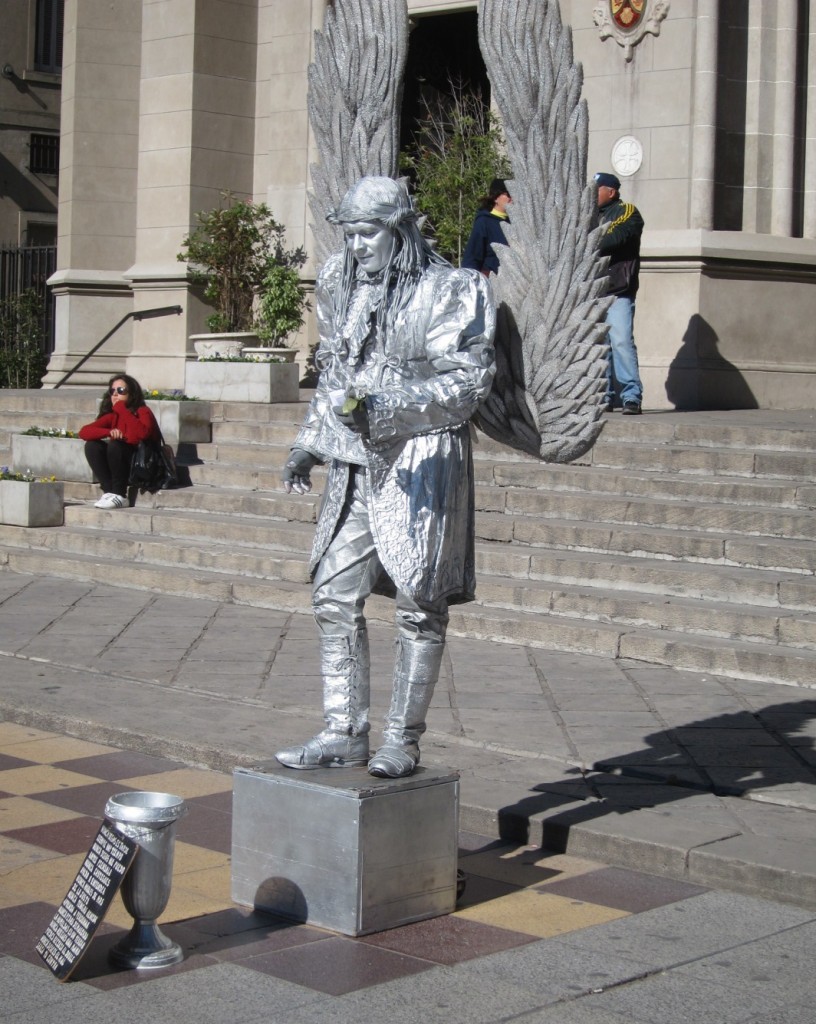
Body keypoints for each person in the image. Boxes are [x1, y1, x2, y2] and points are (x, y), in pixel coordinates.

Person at [275, 175, 496, 779]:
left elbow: (467, 383)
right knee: (332, 594)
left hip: (422, 461)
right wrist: (308, 446)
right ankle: (344, 730)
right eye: (348, 236)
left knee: (419, 606)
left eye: (366, 234)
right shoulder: (344, 288)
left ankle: (402, 739)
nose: (356, 247)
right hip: (353, 464)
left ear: (398, 231)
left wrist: (387, 407)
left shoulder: (454, 288)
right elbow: (336, 371)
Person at [595, 172, 644, 415]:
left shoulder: (627, 211)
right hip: (594, 291)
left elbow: (613, 238)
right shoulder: (590, 216)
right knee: (599, 346)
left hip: (618, 289)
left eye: (597, 189)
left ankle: (631, 395)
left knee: (621, 341)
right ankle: (603, 395)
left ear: (611, 192)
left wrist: (586, 239)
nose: (592, 195)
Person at [79, 373, 160, 509]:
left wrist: (122, 409)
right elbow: (84, 432)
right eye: (112, 391)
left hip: (143, 466)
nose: (115, 394)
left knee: (116, 445)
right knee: (92, 446)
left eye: (121, 391)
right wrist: (108, 432)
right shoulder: (113, 416)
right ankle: (109, 491)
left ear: (132, 394)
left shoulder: (143, 411)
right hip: (121, 465)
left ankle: (120, 494)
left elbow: (141, 434)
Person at [461, 178, 511, 276]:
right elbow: (472, 257)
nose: (511, 198)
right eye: (508, 194)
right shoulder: (484, 221)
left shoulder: (515, 222)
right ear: (496, 198)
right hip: (491, 281)